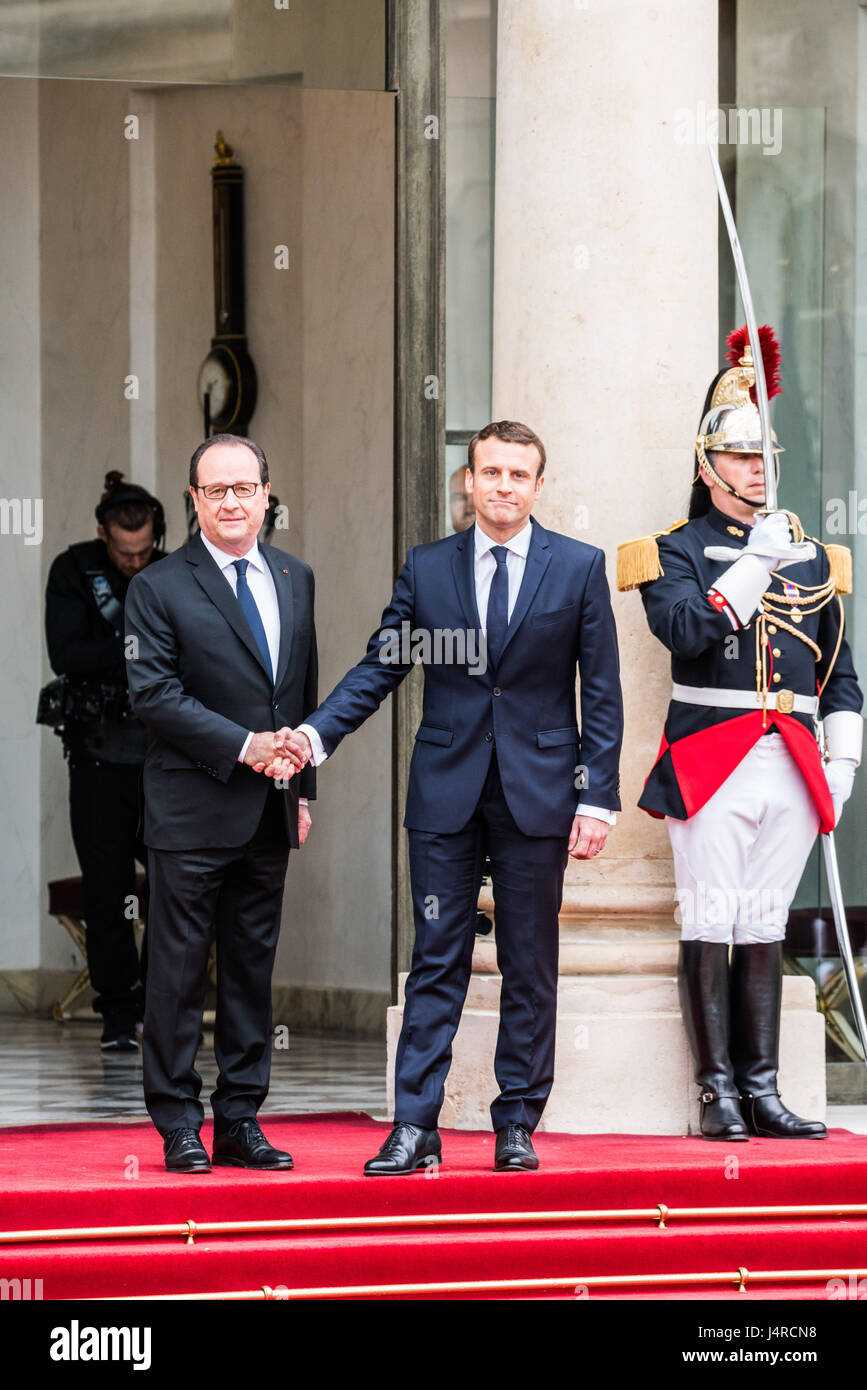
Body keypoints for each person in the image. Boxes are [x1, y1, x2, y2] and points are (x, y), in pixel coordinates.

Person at [276, 419, 624, 1174]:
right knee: (436, 956)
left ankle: (517, 1123)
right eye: (489, 472)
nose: (502, 486)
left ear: (538, 485)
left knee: (530, 962)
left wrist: (596, 798)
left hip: (539, 795)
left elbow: (599, 693)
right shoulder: (428, 569)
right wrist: (314, 735)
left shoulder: (576, 567)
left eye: (517, 475)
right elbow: (383, 665)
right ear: (467, 481)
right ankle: (413, 1124)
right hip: (444, 795)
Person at [618, 326, 863, 1141]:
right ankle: (713, 1091)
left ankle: (761, 1088)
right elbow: (686, 634)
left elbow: (839, 674)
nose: (758, 469)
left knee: (764, 919)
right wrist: (753, 565)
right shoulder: (671, 551)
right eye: (742, 457)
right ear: (707, 465)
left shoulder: (813, 558)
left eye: (765, 457)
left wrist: (844, 762)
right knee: (711, 916)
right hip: (711, 754)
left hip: (791, 759)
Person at [124, 433, 317, 1174]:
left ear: (267, 494)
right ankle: (177, 1121)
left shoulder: (296, 578)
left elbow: (300, 695)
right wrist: (246, 745)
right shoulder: (160, 587)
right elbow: (154, 695)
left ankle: (240, 1118)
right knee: (174, 971)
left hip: (269, 808)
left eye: (244, 488)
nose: (232, 502)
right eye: (215, 491)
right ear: (195, 501)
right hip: (191, 809)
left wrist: (302, 786)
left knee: (250, 969)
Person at [44, 472, 166, 1050]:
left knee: (177, 882)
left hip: (164, 759)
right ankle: (118, 1014)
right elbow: (69, 654)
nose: (135, 564)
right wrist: (143, 649)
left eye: (144, 552)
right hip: (96, 756)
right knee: (107, 888)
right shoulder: (73, 570)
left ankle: (157, 1008)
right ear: (102, 535)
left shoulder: (172, 572)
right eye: (124, 553)